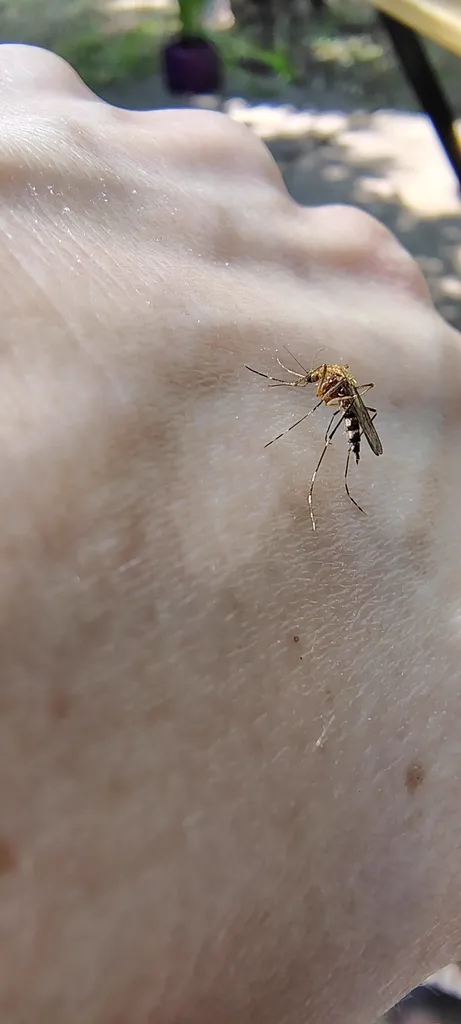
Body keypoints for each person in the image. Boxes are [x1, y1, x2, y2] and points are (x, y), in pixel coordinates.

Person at [0, 41, 460, 1024]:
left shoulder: (338, 396)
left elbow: (334, 395)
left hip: (359, 428)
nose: (318, 386)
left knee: (331, 438)